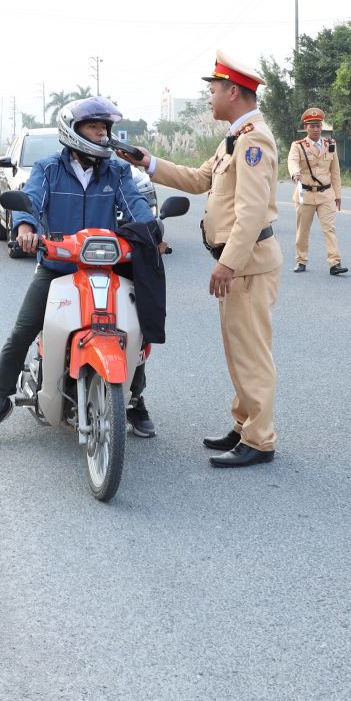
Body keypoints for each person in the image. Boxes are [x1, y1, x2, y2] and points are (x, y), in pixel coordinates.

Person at [114, 50, 280, 469]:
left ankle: (259, 439)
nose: (209, 97)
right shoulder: (234, 140)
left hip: (247, 264)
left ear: (233, 92)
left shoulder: (254, 141)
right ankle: (244, 425)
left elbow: (251, 213)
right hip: (240, 263)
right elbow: (199, 179)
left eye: (213, 90)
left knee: (251, 353)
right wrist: (147, 161)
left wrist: (229, 263)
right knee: (238, 350)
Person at [0, 96, 159, 446]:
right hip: (58, 267)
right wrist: (26, 228)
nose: (103, 134)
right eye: (94, 127)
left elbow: (135, 205)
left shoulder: (117, 171)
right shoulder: (48, 168)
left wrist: (152, 230)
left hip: (105, 268)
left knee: (137, 328)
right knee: (23, 331)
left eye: (106, 128)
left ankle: (134, 398)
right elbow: (32, 199)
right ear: (73, 131)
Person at [288, 107, 347, 276]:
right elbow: (292, 161)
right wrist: (295, 173)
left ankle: (335, 263)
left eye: (318, 126)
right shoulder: (298, 146)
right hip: (305, 194)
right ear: (305, 127)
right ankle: (301, 260)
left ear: (322, 127)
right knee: (303, 230)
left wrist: (337, 195)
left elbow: (335, 172)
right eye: (312, 126)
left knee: (329, 229)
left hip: (326, 194)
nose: (315, 129)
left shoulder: (330, 145)